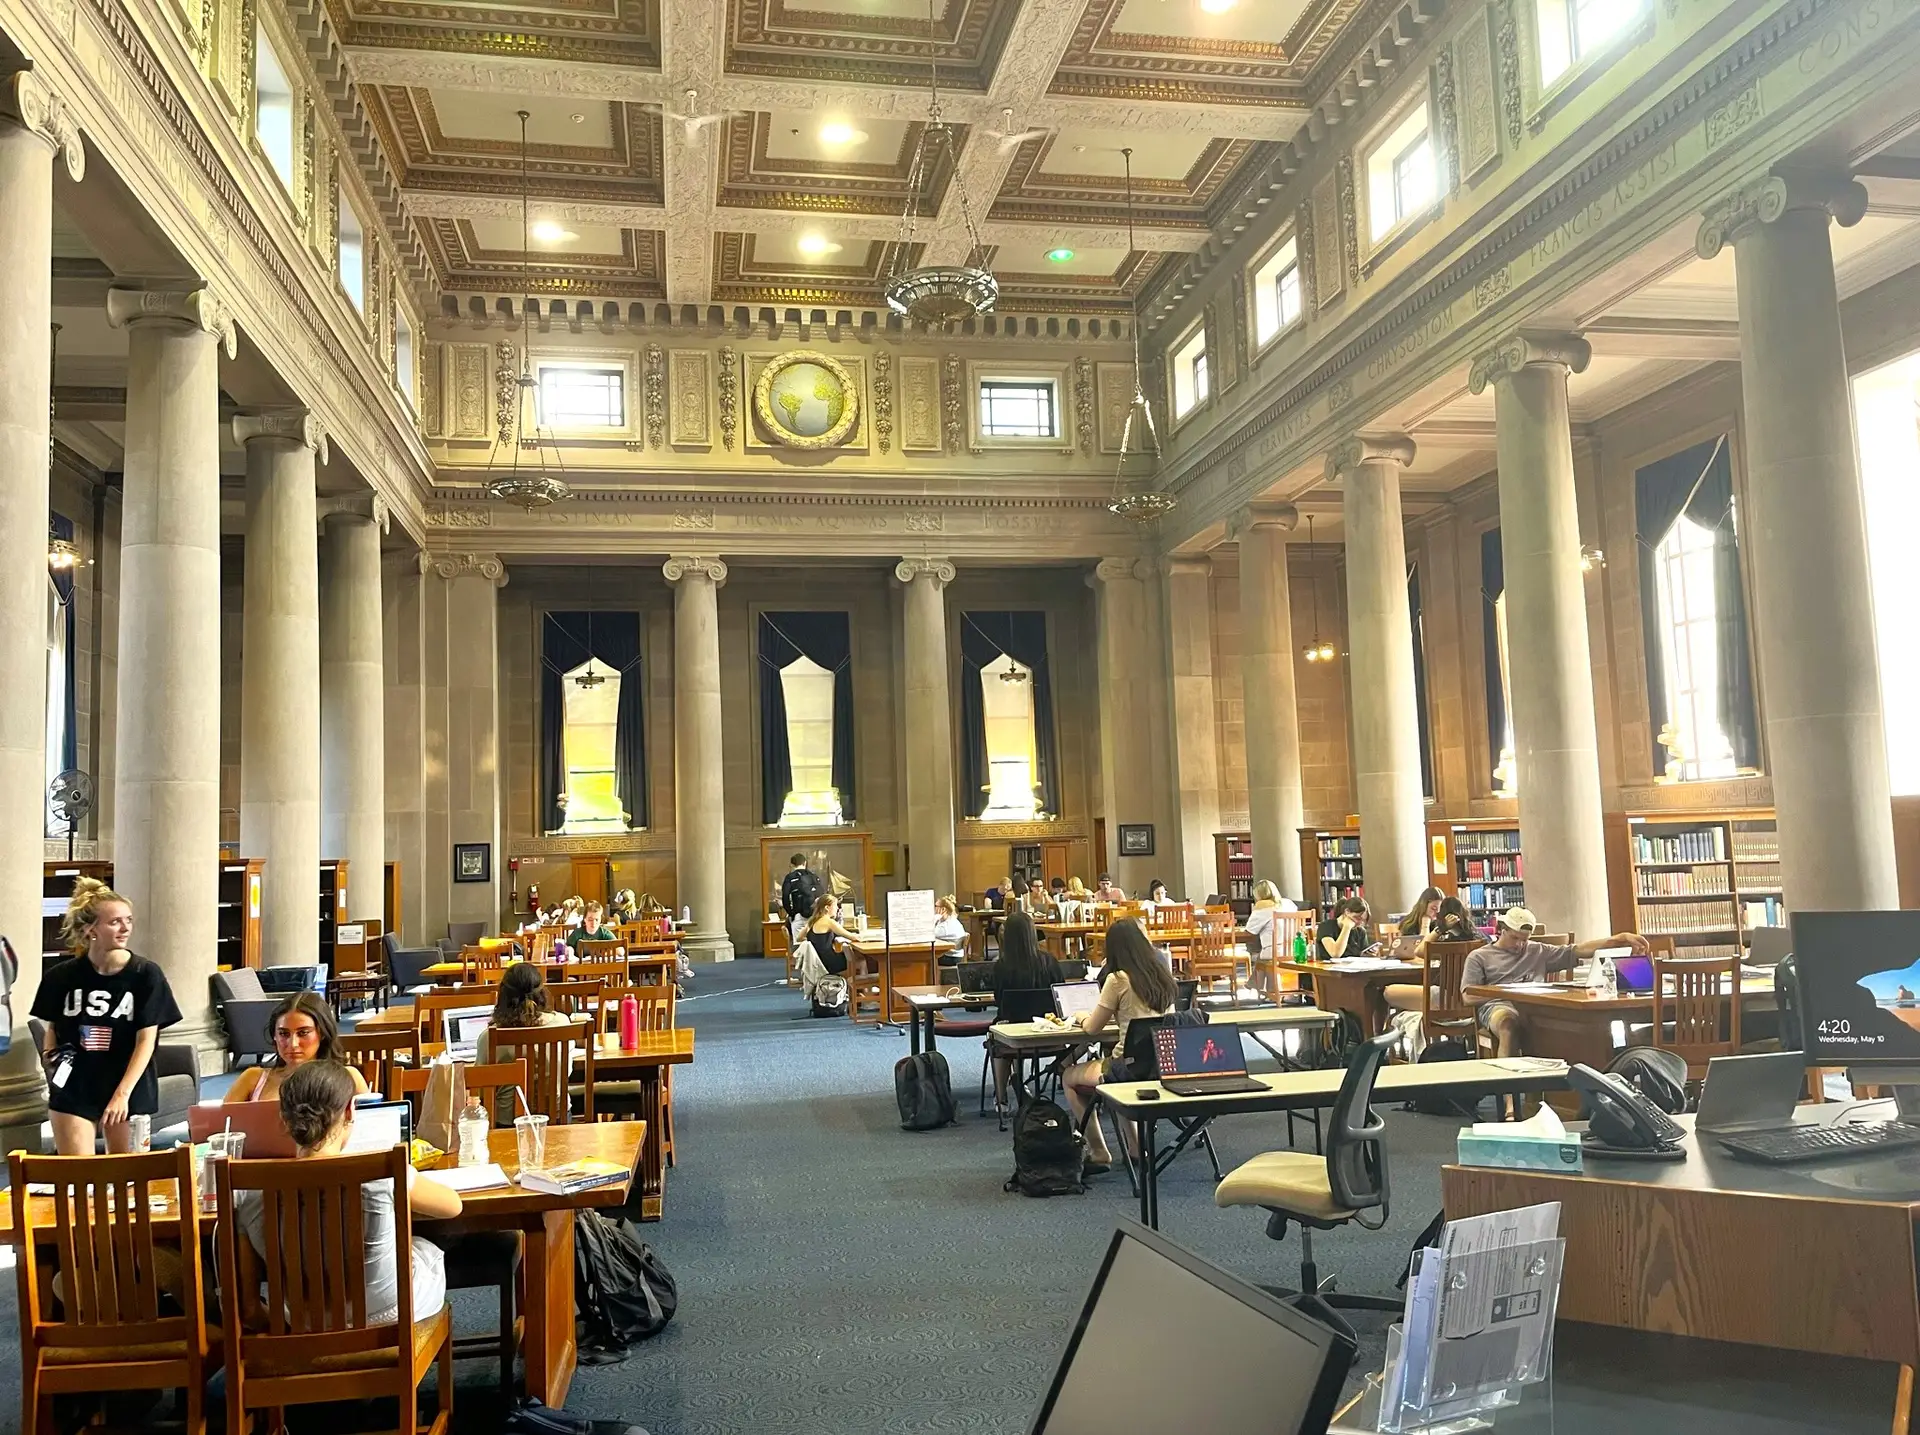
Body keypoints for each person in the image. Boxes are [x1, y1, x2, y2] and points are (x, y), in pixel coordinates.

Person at [237, 1061, 461, 1326]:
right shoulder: (383, 1169)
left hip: (307, 1320)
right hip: (388, 1313)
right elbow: (452, 1206)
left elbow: (248, 1306)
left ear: (284, 1118)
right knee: (424, 1250)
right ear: (350, 1111)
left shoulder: (248, 1188)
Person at [32, 877, 182, 1156]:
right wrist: (50, 1056)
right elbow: (53, 1024)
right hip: (75, 1086)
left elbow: (146, 1040)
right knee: (77, 1176)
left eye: (129, 920)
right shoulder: (61, 976)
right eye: (114, 922)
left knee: (127, 1178)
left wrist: (122, 1094)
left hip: (127, 1085)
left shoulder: (146, 975)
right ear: (91, 930)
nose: (125, 928)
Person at [1063, 919, 1176, 1173]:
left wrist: (1080, 1015)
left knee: (1069, 1077)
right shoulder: (1164, 975)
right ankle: (1136, 1149)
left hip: (1128, 1066)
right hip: (1163, 1063)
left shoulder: (1118, 979)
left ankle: (1099, 1151)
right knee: (1124, 1078)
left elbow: (1093, 1028)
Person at [1464, 907, 1651, 1057]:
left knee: (1565, 1023)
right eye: (1514, 938)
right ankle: (1509, 1100)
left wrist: (1619, 939)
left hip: (1535, 1007)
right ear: (1501, 931)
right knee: (1508, 1024)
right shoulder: (1479, 957)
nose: (1520, 945)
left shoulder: (1537, 950)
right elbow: (1467, 997)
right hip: (1499, 1006)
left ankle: (1558, 1095)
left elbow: (1579, 950)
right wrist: (1504, 991)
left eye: (1525, 940)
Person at [226, 991, 369, 1104]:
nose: (293, 1044)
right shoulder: (253, 1079)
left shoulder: (348, 1078)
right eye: (283, 1033)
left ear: (322, 1033)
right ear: (274, 1036)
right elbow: (219, 1127)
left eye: (303, 1033)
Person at [988, 911, 1065, 1110]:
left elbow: (999, 1001)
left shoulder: (1001, 966)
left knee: (996, 1038)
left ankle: (1001, 1098)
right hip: (1049, 1034)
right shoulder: (1050, 962)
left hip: (1012, 1035)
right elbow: (1060, 996)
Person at [802, 893, 859, 977]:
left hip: (819, 962)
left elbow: (799, 938)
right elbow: (852, 937)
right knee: (862, 962)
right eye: (835, 906)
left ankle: (856, 988)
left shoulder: (812, 922)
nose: (837, 908)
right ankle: (862, 988)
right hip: (831, 963)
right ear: (827, 908)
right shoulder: (829, 922)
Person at [1244, 879, 1297, 962]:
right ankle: (1269, 975)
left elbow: (1250, 932)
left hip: (1274, 951)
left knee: (1256, 957)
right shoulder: (1289, 903)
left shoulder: (1262, 908)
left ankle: (1272, 975)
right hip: (1294, 949)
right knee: (1260, 961)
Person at [1390, 888, 1447, 958]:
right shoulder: (1409, 923)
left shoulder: (1439, 923)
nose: (1436, 913)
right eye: (1433, 908)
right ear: (1423, 906)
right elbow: (1421, 950)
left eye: (1439, 910)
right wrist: (1425, 925)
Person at [781, 852, 822, 926]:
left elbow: (785, 898)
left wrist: (792, 914)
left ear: (792, 865)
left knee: (798, 937)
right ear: (805, 863)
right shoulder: (814, 876)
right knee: (812, 937)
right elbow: (822, 894)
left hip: (799, 916)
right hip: (815, 916)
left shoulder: (790, 878)